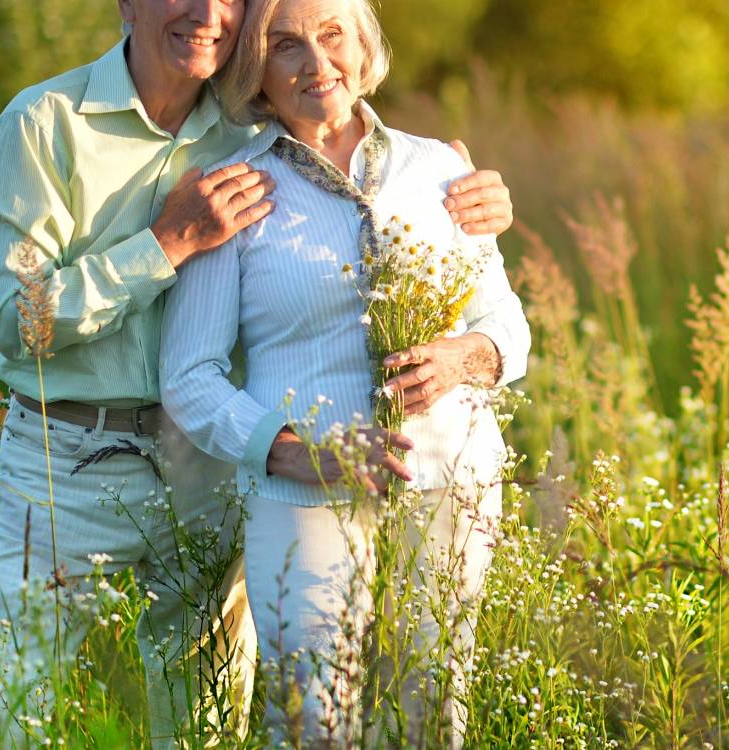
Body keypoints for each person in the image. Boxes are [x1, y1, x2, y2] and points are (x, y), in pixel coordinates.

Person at [0, 1, 514, 746]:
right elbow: (14, 320)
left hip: (208, 468)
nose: (206, 12)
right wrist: (165, 242)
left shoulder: (248, 125)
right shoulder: (45, 125)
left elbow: (356, 145)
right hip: (70, 461)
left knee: (201, 725)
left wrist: (466, 190)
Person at [158, 0, 528, 744]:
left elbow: (508, 332)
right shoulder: (237, 190)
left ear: (364, 46)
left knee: (428, 714)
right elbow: (188, 378)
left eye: (332, 35)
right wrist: (300, 453)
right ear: (256, 72)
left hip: (448, 486)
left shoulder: (441, 170)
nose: (316, 63)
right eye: (285, 44)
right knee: (311, 722)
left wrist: (461, 359)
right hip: (302, 499)